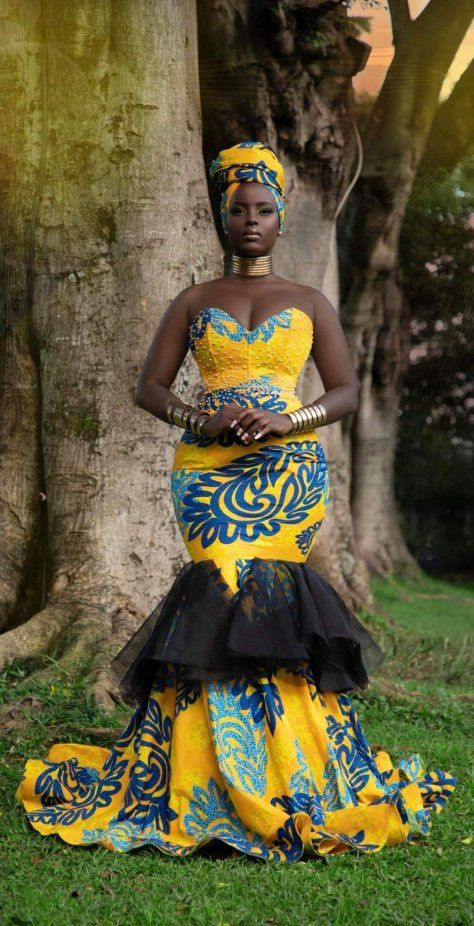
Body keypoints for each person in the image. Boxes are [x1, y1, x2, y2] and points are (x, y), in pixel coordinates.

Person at [15, 140, 457, 860]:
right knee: (218, 586)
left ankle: (287, 776)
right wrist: (201, 417)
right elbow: (147, 388)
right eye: (237, 210)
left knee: (271, 602)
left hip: (287, 475)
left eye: (263, 210)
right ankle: (200, 780)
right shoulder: (194, 301)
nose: (250, 221)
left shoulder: (310, 302)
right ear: (222, 219)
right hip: (209, 475)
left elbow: (344, 391)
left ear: (281, 218)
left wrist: (289, 418)